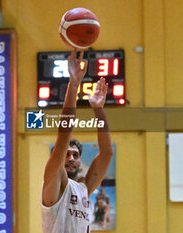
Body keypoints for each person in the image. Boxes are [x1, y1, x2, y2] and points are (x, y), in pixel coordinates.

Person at [41, 49, 113, 233]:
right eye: (66, 154)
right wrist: (74, 85)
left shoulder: (83, 188)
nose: (71, 158)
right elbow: (64, 133)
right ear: (56, 158)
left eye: (75, 155)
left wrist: (98, 109)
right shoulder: (53, 178)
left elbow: (106, 153)